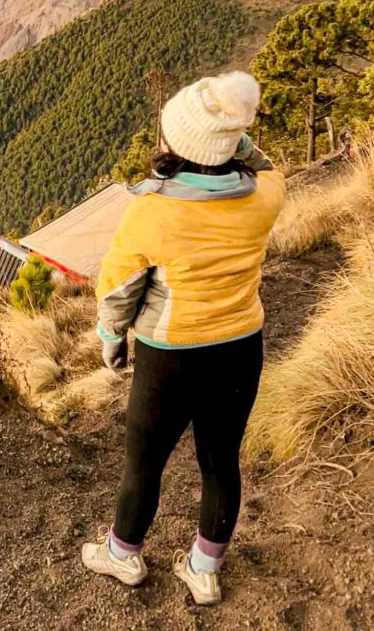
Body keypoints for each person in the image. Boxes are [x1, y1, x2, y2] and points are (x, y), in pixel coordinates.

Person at [82, 71, 285, 605]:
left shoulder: (153, 211)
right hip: (241, 345)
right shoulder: (266, 195)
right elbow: (260, 163)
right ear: (230, 145)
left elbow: (119, 291)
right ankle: (203, 569)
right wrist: (231, 131)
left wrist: (110, 341)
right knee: (221, 461)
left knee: (144, 462)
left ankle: (123, 554)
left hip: (169, 358)